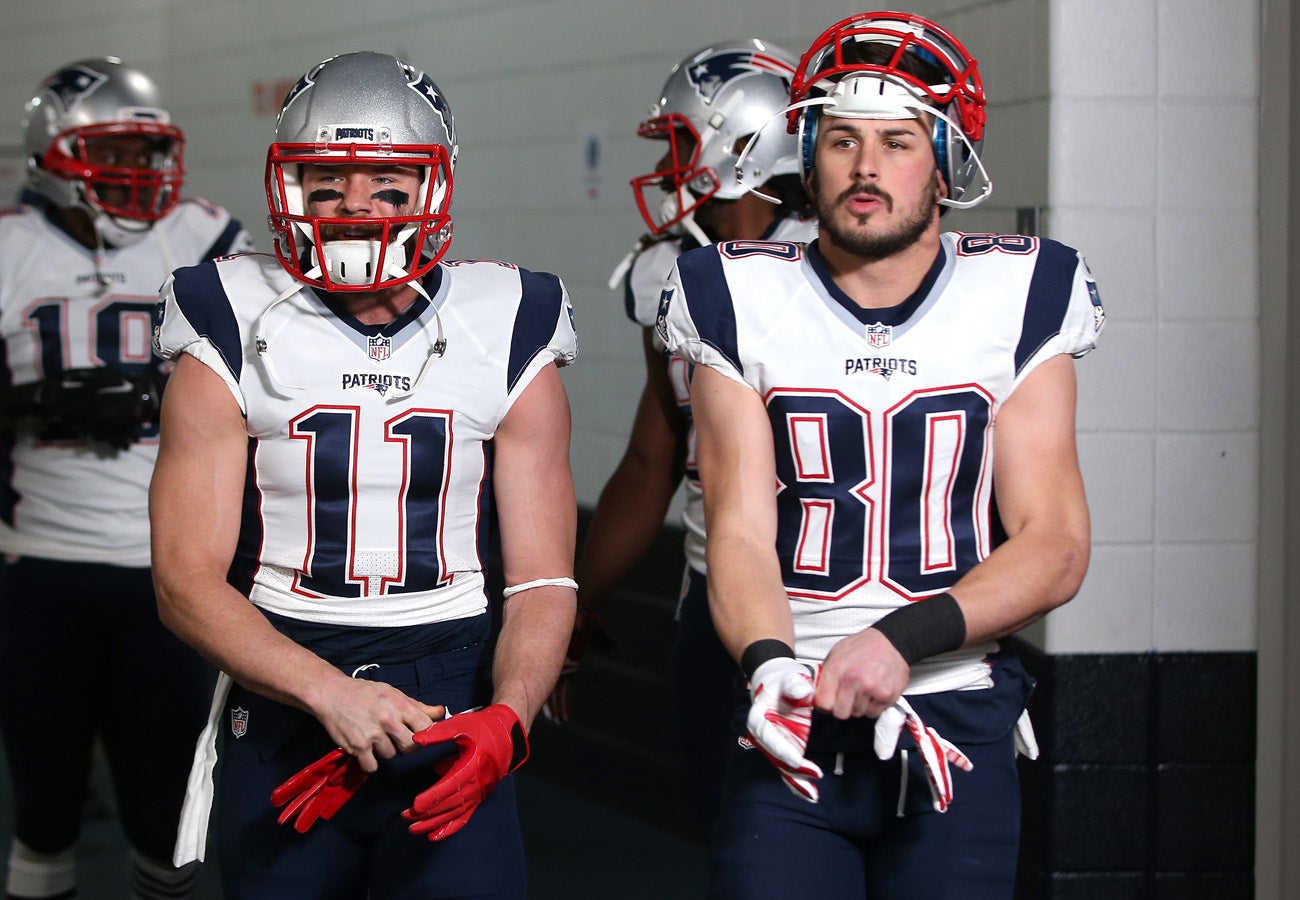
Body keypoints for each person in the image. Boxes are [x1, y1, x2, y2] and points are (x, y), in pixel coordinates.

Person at [658, 11, 1105, 898]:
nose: (865, 168)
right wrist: (768, 663)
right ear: (806, 153)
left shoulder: (1023, 291)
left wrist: (898, 641)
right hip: (786, 706)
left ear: (945, 163)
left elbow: (1054, 542)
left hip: (956, 709)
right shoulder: (734, 290)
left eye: (898, 142)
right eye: (841, 139)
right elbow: (740, 530)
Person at [149, 51, 577, 899]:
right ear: (289, 188)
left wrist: (510, 715)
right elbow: (184, 582)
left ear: (433, 189)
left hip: (453, 687)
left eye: (387, 180)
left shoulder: (508, 319)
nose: (354, 206)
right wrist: (327, 693)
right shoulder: (226, 313)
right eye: (325, 180)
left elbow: (543, 579)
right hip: (284, 679)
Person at [541, 39, 815, 829]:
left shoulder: (838, 259)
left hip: (835, 603)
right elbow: (650, 459)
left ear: (746, 145)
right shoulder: (673, 271)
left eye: (680, 142)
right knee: (735, 843)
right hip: (714, 601)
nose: (669, 166)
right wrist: (573, 608)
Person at [0, 56, 253, 900]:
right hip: (38, 562)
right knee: (43, 804)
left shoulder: (205, 236)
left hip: (171, 569)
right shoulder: (10, 245)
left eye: (149, 153)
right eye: (114, 149)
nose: (137, 173)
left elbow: (272, 365)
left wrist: (151, 389)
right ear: (55, 152)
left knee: (169, 808)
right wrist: (41, 398)